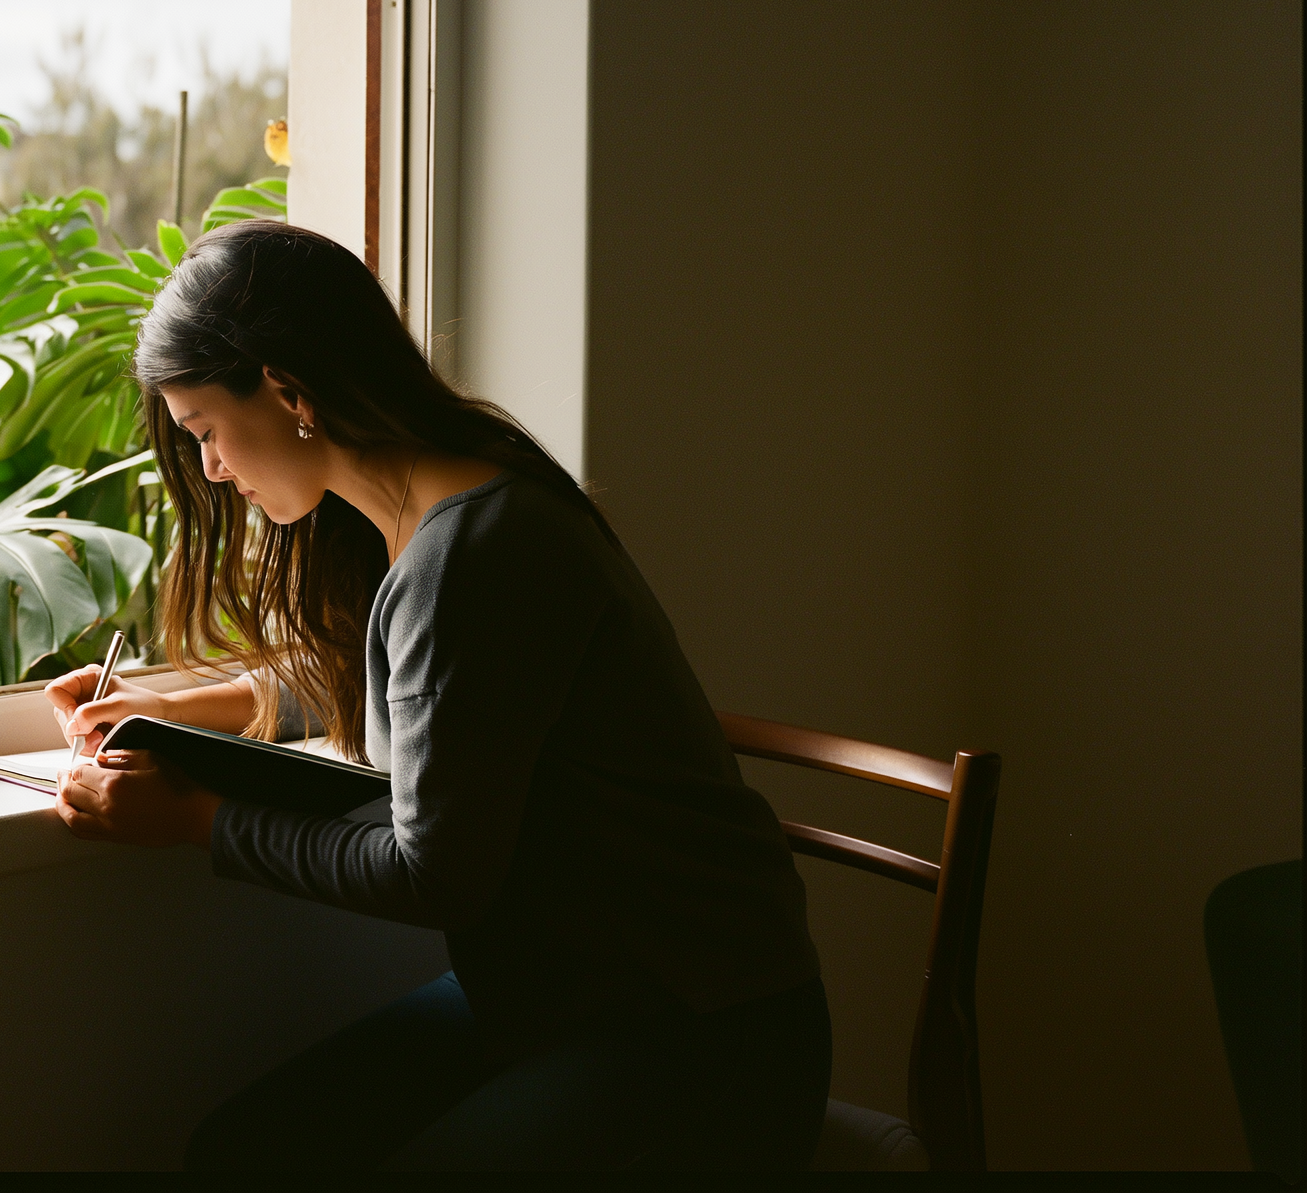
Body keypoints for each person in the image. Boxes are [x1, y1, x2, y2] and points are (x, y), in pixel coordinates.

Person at [45, 219, 829, 1174]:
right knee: (244, 1151)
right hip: (562, 993)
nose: (211, 468)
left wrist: (196, 819)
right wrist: (166, 711)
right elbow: (404, 681)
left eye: (208, 432)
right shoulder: (434, 502)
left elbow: (433, 875)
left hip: (700, 1026)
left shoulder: (474, 548)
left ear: (289, 392)